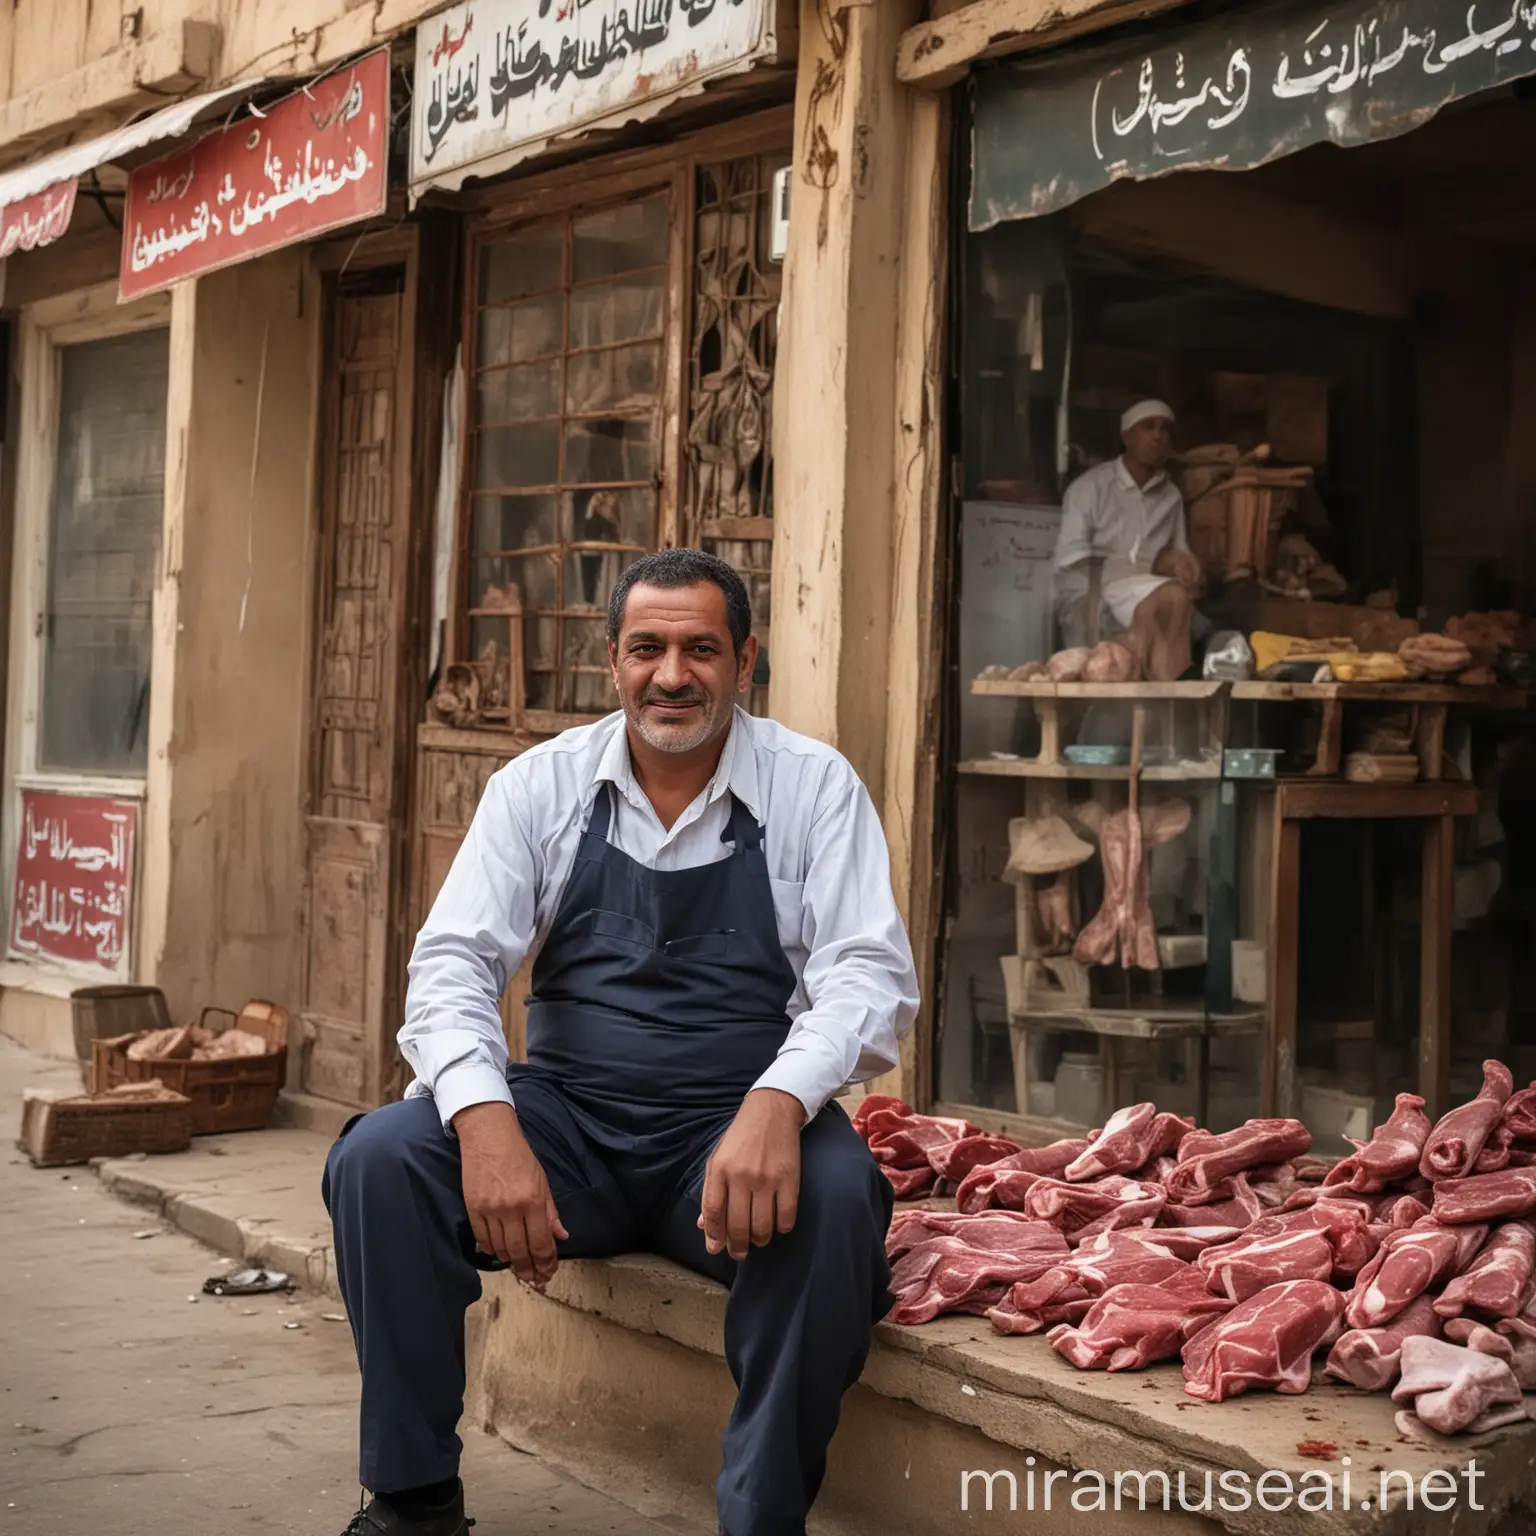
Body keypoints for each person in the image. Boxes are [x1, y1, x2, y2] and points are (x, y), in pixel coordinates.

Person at [323, 548, 920, 1536]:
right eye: (648, 648)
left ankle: (761, 1517)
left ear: (745, 660)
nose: (673, 674)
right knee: (382, 1160)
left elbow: (868, 977)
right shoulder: (539, 786)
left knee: (840, 1196)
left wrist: (778, 1105)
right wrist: (484, 1121)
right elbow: (450, 969)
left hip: (729, 1141)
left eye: (701, 648)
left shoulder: (815, 787)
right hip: (570, 1136)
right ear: (613, 660)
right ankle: (414, 1497)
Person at [1053, 399, 1203, 681]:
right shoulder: (1091, 487)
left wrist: (1183, 566)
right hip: (1093, 586)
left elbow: (1178, 552)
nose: (1159, 436)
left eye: (1165, 429)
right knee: (1169, 598)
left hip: (1145, 587)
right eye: (1148, 427)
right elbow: (1072, 558)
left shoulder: (1170, 495)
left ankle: (1159, 687)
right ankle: (1163, 685)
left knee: (1168, 600)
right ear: (1126, 437)